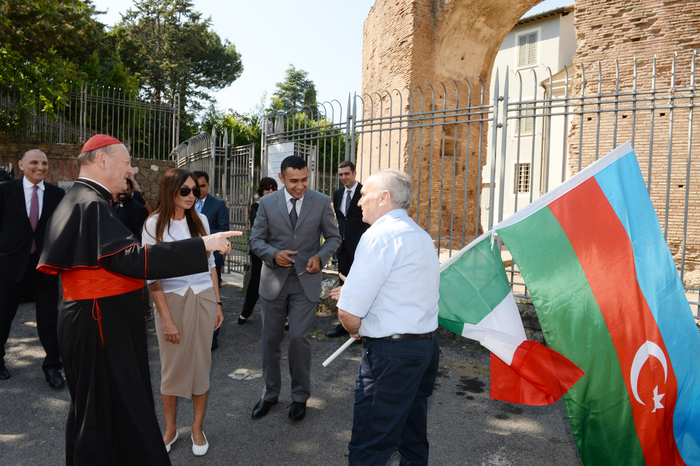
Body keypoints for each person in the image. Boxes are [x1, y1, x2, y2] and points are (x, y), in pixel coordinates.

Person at [37, 134, 238, 466]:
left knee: (103, 409)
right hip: (101, 324)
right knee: (102, 411)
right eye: (127, 163)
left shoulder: (83, 199)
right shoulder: (90, 203)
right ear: (103, 162)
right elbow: (132, 259)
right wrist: (204, 245)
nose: (131, 170)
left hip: (95, 321)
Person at [331, 169, 440, 465]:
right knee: (412, 436)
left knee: (370, 441)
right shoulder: (420, 235)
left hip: (392, 354)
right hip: (424, 348)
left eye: (364, 195)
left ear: (385, 198)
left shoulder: (378, 236)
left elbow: (348, 313)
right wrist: (355, 290)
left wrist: (354, 328)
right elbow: (403, 290)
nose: (359, 202)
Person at [249, 155, 341, 421]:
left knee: (299, 339)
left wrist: (320, 257)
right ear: (281, 178)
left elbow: (334, 237)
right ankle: (269, 394)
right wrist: (272, 253)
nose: (300, 186)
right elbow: (255, 240)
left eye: (304, 180)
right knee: (270, 341)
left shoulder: (322, 202)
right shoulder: (266, 203)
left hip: (306, 282)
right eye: (293, 181)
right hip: (273, 282)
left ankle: (300, 397)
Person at [142, 168, 223, 457]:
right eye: (185, 191)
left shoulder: (200, 219)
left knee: (202, 363)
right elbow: (152, 276)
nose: (192, 196)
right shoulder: (153, 224)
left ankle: (197, 427)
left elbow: (211, 262)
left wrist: (217, 302)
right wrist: (165, 318)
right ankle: (171, 428)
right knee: (172, 367)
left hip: (203, 297)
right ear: (170, 191)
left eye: (196, 191)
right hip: (171, 300)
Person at [0, 149, 65, 388]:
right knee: (3, 315)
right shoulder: (5, 191)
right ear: (21, 164)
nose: (40, 167)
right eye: (34, 162)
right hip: (10, 266)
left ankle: (53, 367)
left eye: (44, 163)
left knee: (49, 318)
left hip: (44, 266)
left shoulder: (58, 194)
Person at [326, 160, 370, 338]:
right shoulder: (337, 194)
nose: (344, 177)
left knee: (361, 285)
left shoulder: (365, 192)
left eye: (347, 174)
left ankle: (363, 327)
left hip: (361, 248)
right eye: (341, 174)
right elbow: (340, 219)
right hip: (342, 248)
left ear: (354, 173)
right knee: (344, 284)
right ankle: (344, 325)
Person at [193, 171, 229, 350]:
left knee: (213, 296)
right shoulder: (186, 203)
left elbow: (223, 230)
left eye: (203, 186)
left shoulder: (218, 204)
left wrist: (204, 236)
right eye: (196, 186)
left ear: (208, 185)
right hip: (190, 259)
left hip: (212, 259)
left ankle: (213, 335)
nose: (199, 190)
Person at [238, 177, 278, 325]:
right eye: (267, 188)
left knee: (279, 285)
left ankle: (283, 317)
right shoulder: (256, 206)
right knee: (255, 282)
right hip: (259, 251)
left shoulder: (280, 205)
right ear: (261, 190)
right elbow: (258, 226)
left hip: (276, 251)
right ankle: (245, 312)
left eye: (273, 188)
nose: (271, 191)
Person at [114, 178, 149, 242]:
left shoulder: (139, 210)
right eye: (120, 189)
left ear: (132, 190)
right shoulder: (115, 209)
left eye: (126, 190)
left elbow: (139, 235)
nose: (122, 192)